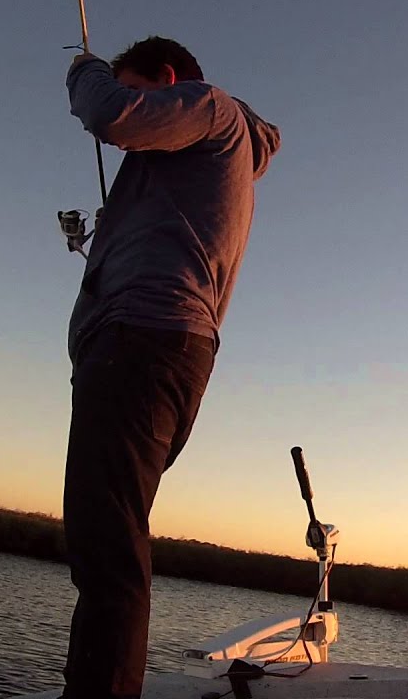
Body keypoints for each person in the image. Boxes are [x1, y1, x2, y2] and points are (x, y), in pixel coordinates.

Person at [59, 36, 280, 699]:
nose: (130, 102)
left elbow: (112, 114)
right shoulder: (206, 146)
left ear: (168, 78)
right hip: (159, 352)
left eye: (136, 83)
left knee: (108, 551)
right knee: (109, 536)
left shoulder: (209, 110)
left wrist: (87, 70)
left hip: (142, 345)